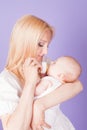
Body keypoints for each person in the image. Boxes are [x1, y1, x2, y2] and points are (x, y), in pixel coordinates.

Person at [0, 15, 83, 130]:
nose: (45, 51)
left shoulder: (45, 63)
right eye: (40, 44)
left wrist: (40, 105)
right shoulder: (6, 80)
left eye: (47, 45)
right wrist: (30, 83)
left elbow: (77, 85)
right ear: (24, 42)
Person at [34, 56, 82, 130]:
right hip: (51, 115)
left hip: (43, 114)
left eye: (55, 63)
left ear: (61, 75)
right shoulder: (61, 85)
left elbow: (36, 92)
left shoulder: (48, 80)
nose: (52, 62)